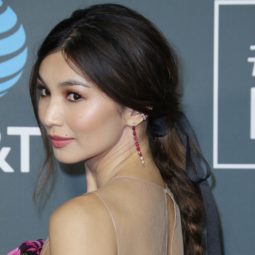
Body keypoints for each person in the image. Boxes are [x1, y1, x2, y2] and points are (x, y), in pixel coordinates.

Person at [7, 3, 222, 255]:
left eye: (74, 96)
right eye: (45, 91)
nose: (49, 116)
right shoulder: (165, 202)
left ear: (136, 109)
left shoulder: (83, 219)